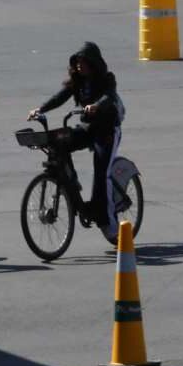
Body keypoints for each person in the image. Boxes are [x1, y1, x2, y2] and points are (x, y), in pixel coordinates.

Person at [28, 42, 125, 238]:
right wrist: (41, 109)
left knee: (102, 174)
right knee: (59, 142)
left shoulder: (107, 79)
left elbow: (110, 96)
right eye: (77, 63)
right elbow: (60, 97)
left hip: (106, 131)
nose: (80, 66)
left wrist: (96, 106)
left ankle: (110, 226)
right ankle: (72, 181)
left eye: (84, 62)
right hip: (88, 128)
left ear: (93, 63)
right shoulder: (78, 81)